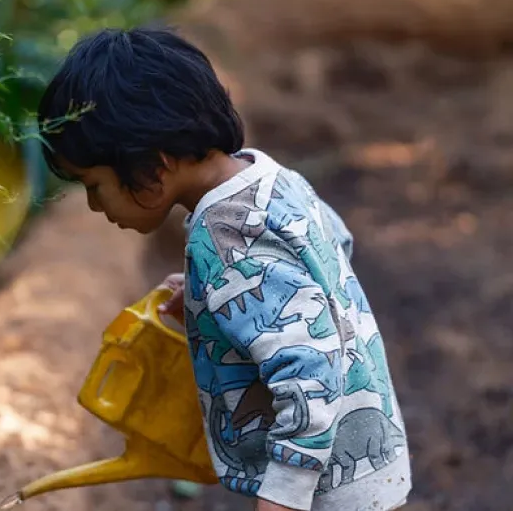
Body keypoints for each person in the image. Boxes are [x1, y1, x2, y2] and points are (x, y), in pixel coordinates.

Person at [36, 27, 411, 511]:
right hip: (366, 464)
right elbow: (330, 252)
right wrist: (209, 298)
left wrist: (284, 495)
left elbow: (310, 369)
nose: (93, 206)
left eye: (94, 185)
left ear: (152, 168)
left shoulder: (224, 234)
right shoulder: (272, 177)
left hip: (324, 487)